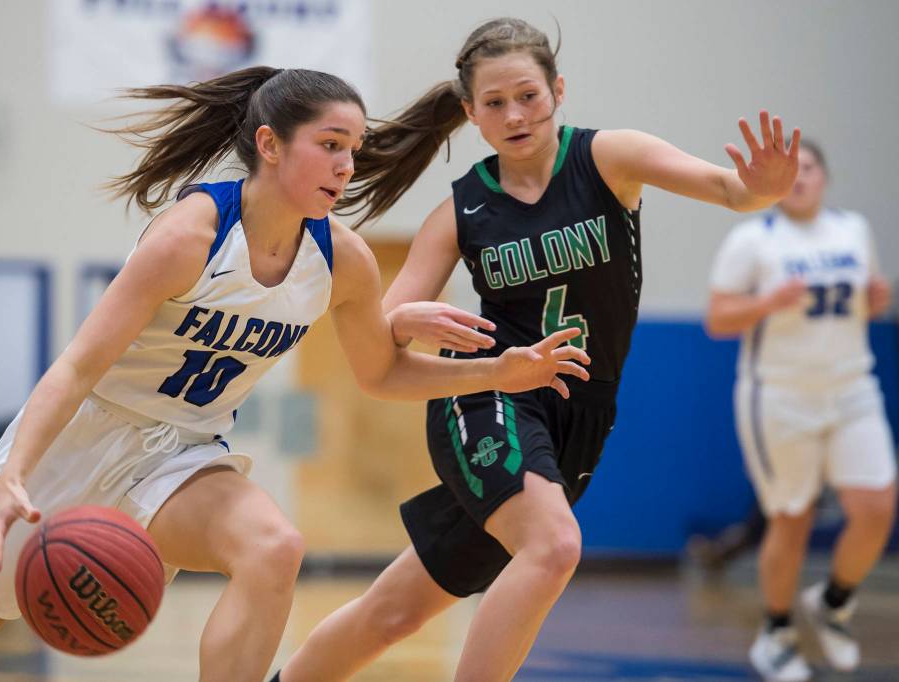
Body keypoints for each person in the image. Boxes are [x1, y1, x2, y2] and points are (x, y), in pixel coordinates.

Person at [0, 66, 591, 682]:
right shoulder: (190, 236)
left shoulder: (343, 260)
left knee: (273, 549)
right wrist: (15, 476)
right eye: (331, 146)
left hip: (180, 452)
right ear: (270, 145)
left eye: (354, 150)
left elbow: (382, 374)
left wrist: (501, 370)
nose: (346, 167)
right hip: (78, 439)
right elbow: (77, 366)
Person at [275, 17, 801, 682]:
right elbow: (378, 331)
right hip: (489, 394)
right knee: (553, 547)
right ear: (470, 113)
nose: (514, 114)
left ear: (558, 90)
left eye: (527, 95)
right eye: (493, 103)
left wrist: (764, 189)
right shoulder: (462, 210)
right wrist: (407, 316)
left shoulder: (609, 159)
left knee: (395, 613)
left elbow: (730, 188)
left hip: (576, 417)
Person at [705, 140, 895, 682]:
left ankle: (832, 601)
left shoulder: (853, 230)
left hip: (853, 387)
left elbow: (867, 298)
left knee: (877, 506)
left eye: (811, 167)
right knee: (792, 518)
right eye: (795, 169)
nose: (802, 177)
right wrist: (767, 302)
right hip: (781, 394)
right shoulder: (753, 238)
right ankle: (778, 630)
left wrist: (877, 299)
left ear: (825, 177)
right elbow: (718, 319)